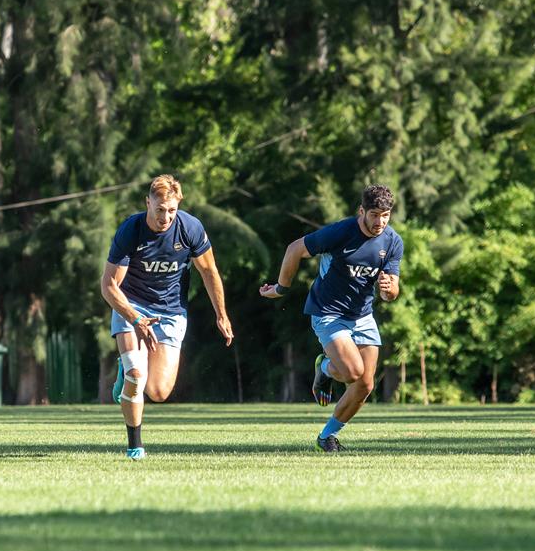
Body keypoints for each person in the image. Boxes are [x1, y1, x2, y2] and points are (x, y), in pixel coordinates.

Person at [260, 184, 403, 452]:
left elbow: (391, 292)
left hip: (363, 315)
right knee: (352, 372)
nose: (380, 222)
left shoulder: (393, 241)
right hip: (328, 312)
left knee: (365, 384)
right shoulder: (340, 232)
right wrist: (281, 288)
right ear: (362, 211)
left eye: (385, 215)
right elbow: (294, 249)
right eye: (374, 214)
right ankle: (325, 368)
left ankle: (327, 437)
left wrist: (389, 289)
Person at [102, 175, 233, 460]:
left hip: (171, 312)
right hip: (131, 305)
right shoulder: (131, 231)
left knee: (159, 391)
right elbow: (109, 286)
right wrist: (136, 319)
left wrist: (221, 315)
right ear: (147, 202)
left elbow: (209, 272)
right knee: (137, 375)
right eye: (160, 209)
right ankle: (134, 445)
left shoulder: (190, 229)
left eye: (171, 210)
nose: (165, 217)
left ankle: (125, 369)